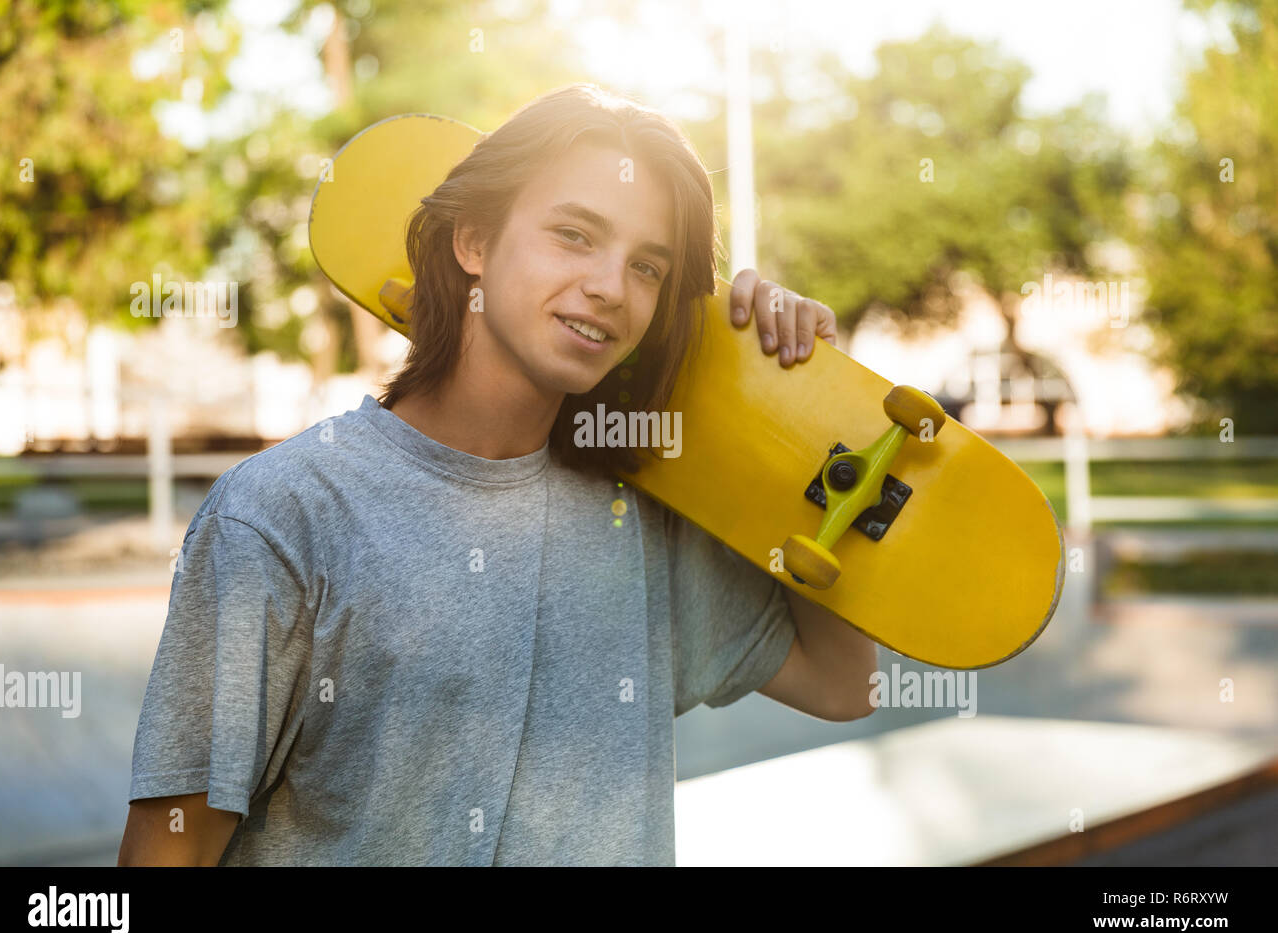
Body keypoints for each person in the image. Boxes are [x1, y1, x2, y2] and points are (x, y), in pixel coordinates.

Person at [118, 83, 877, 866]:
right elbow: (167, 850)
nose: (611, 287)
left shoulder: (644, 520)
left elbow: (843, 685)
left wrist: (802, 417)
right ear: (474, 240)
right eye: (575, 234)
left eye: (648, 266)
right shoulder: (283, 514)